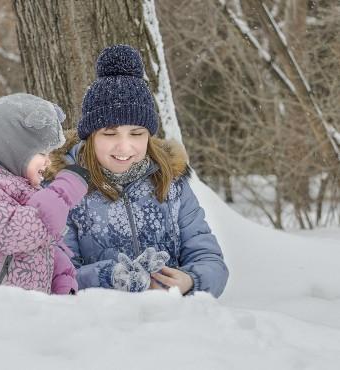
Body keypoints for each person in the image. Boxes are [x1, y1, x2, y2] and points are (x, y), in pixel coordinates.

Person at [46, 45, 229, 298]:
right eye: (110, 133)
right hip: (98, 325)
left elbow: (210, 261)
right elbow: (55, 277)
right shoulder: (63, 190)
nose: (124, 146)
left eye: (137, 133)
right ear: (90, 137)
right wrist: (109, 277)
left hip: (173, 321)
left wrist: (190, 280)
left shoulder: (172, 183)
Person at [0, 93, 90, 294]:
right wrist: (62, 194)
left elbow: (41, 244)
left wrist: (61, 277)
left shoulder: (19, 186)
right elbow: (14, 233)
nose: (48, 162)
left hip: (20, 312)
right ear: (12, 150)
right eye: (42, 153)